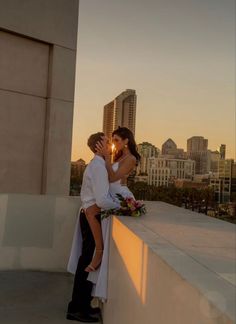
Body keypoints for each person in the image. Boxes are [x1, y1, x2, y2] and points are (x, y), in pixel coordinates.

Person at [67, 132, 120, 323]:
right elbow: (102, 199)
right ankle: (77, 308)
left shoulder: (97, 165)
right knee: (87, 262)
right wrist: (123, 205)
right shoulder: (97, 167)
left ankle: (80, 305)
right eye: (107, 142)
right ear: (99, 146)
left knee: (88, 260)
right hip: (91, 218)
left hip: (89, 215)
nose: (110, 145)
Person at [84, 127, 141, 272]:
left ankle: (99, 253)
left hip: (120, 196)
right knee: (91, 214)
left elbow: (113, 177)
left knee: (92, 214)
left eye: (116, 140)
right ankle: (99, 252)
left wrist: (107, 158)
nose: (113, 143)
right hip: (110, 195)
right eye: (112, 140)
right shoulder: (116, 156)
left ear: (126, 141)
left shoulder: (131, 159)